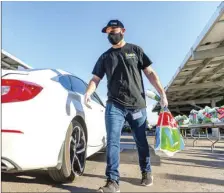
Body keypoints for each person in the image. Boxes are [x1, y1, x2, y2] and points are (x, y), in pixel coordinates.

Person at [84, 19, 168, 193]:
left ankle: (146, 171)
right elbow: (95, 79)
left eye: (113, 30)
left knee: (141, 141)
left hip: (137, 105)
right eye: (108, 31)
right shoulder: (105, 57)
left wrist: (162, 93)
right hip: (114, 105)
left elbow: (150, 73)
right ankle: (112, 181)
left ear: (123, 30)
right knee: (113, 141)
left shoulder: (135, 50)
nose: (111, 34)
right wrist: (88, 92)